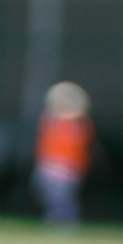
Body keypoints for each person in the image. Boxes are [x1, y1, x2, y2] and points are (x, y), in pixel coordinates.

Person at [32, 80, 93, 228]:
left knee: (62, 199)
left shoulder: (80, 125)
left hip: (67, 169)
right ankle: (55, 220)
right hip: (47, 166)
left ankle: (64, 223)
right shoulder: (50, 121)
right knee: (44, 194)